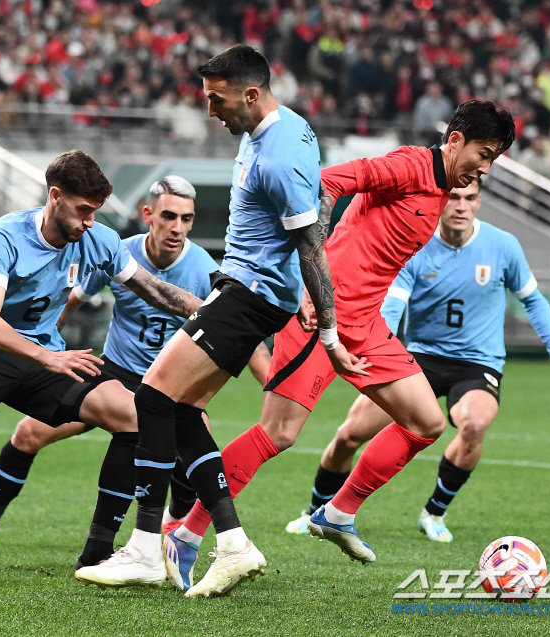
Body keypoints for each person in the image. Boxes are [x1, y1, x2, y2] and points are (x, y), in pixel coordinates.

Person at [163, 100, 518, 591]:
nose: (486, 166)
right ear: (455, 139)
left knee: (427, 422)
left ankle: (338, 512)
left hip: (366, 325)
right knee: (278, 434)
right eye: (484, 151)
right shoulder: (411, 165)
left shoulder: (443, 187)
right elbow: (327, 182)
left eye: (495, 157)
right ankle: (186, 533)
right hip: (319, 316)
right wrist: (311, 280)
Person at [76, 44, 366, 598]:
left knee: (153, 396)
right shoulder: (286, 131)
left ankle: (144, 548)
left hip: (251, 295)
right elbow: (319, 205)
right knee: (182, 407)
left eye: (218, 98)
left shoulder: (277, 153)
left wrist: (327, 327)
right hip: (251, 291)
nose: (211, 109)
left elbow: (311, 243)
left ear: (251, 95)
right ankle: (233, 544)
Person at [0, 175, 271, 563]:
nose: (177, 228)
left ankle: (171, 524)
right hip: (114, 372)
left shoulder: (202, 267)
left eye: (187, 219)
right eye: (169, 216)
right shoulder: (114, 250)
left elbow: (235, 331)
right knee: (28, 433)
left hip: (170, 387)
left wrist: (270, 381)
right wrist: (44, 354)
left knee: (196, 442)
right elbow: (66, 303)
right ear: (148, 215)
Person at [0, 153, 203, 543]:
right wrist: (49, 356)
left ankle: (98, 552)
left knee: (132, 416)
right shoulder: (5, 235)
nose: (90, 222)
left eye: (95, 212)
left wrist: (223, 312)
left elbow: (154, 290)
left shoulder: (98, 239)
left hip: (46, 353)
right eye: (83, 211)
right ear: (56, 196)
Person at [285, 178, 550, 540]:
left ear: (479, 202)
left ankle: (434, 514)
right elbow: (393, 304)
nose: (461, 205)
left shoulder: (503, 246)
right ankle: (316, 510)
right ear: (442, 201)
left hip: (478, 364)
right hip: (418, 359)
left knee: (474, 425)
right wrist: (380, 346)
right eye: (454, 197)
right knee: (350, 434)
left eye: (470, 198)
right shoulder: (418, 243)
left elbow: (533, 299)